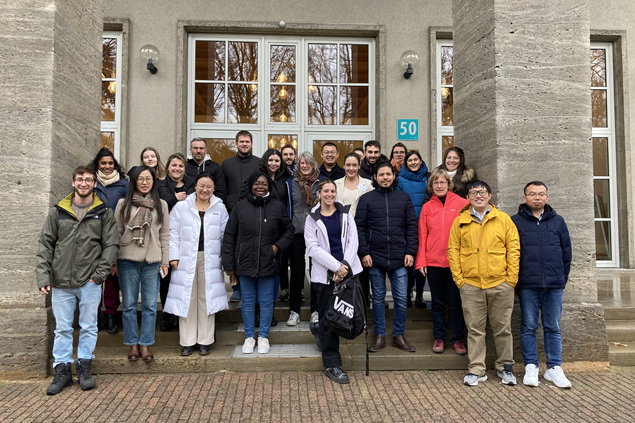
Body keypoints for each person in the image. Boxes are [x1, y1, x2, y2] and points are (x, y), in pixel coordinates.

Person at [36, 165, 118, 395]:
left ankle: (84, 367)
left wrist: (98, 276)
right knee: (62, 328)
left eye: (88, 180)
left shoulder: (103, 212)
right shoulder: (58, 211)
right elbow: (46, 244)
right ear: (73, 183)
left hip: (89, 281)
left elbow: (110, 245)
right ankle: (62, 371)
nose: (84, 183)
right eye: (80, 179)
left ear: (94, 184)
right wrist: (43, 275)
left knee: (89, 326)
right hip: (61, 281)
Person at [447, 180, 520, 387]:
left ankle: (505, 367)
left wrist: (511, 279)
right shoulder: (460, 221)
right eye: (473, 193)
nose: (478, 195)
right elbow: (453, 251)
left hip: (500, 284)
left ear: (489, 196)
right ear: (468, 198)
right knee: (475, 329)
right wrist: (460, 280)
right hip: (471, 285)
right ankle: (476, 369)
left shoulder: (503, 220)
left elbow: (513, 249)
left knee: (502, 328)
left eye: (482, 192)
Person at [222, 173, 294, 354]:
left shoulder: (277, 207)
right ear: (251, 185)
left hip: (268, 261)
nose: (260, 186)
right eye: (256, 183)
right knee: (247, 301)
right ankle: (248, 337)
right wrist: (229, 266)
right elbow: (229, 236)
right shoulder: (240, 207)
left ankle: (263, 336)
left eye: (264, 183)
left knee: (266, 301)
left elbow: (289, 230)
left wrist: (277, 247)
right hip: (244, 262)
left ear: (269, 186)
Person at [512, 181, 572, 389]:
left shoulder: (558, 221)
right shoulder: (515, 222)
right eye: (532, 194)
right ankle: (531, 365)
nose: (537, 197)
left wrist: (561, 278)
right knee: (528, 326)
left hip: (554, 285)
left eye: (541, 194)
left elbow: (566, 252)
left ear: (547, 197)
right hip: (528, 284)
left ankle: (554, 367)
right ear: (525, 198)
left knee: (552, 327)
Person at [356, 162, 418, 353]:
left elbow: (411, 226)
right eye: (381, 174)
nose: (385, 177)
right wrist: (364, 253)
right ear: (375, 177)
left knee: (400, 298)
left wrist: (410, 251)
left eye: (388, 174)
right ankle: (380, 335)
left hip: (400, 257)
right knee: (378, 298)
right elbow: (359, 228)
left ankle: (398, 335)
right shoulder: (366, 199)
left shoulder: (403, 198)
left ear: (393, 176)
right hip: (375, 257)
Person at [164, 173, 229, 356]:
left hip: (211, 259)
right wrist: (173, 257)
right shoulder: (182, 207)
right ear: (195, 186)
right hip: (185, 259)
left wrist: (226, 260)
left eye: (209, 186)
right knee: (187, 298)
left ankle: (205, 341)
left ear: (214, 188)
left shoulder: (220, 207)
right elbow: (173, 233)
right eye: (201, 185)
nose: (205, 190)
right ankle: (187, 341)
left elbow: (226, 236)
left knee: (206, 298)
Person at [305, 180, 363, 384]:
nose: (329, 194)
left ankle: (322, 335)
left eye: (332, 191)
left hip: (347, 273)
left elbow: (352, 241)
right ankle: (332, 364)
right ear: (319, 193)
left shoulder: (346, 214)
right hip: (325, 276)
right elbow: (313, 248)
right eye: (325, 191)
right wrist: (335, 267)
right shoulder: (312, 218)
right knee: (327, 318)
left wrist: (344, 266)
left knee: (346, 313)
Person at [114, 166, 170, 362]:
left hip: (152, 259)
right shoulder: (123, 203)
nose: (145, 182)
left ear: (154, 181)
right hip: (127, 258)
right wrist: (114, 261)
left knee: (149, 305)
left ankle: (146, 344)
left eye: (148, 178)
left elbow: (165, 235)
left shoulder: (161, 204)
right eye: (141, 179)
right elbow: (117, 231)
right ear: (134, 181)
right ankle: (132, 344)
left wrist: (165, 260)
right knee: (128, 305)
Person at [415, 169, 469, 356]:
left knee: (456, 302)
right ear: (431, 186)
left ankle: (458, 339)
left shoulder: (463, 204)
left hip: (456, 263)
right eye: (435, 183)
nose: (439, 186)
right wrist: (421, 261)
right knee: (437, 303)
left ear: (449, 184)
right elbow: (422, 236)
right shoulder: (427, 208)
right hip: (434, 262)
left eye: (442, 182)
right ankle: (439, 337)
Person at [284, 152, 326, 326]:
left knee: (317, 272)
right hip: (296, 234)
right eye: (302, 163)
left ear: (313, 165)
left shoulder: (321, 182)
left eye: (308, 163)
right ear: (298, 165)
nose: (305, 166)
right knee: (297, 273)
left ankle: (315, 310)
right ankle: (294, 310)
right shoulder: (290, 183)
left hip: (316, 235)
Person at [91, 147, 129, 334]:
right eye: (103, 163)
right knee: (95, 276)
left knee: (112, 277)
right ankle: (96, 314)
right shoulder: (91, 183)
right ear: (97, 165)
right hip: (93, 236)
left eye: (110, 163)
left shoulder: (123, 185)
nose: (107, 166)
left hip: (116, 236)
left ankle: (111, 314)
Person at [157, 153, 196, 332]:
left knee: (183, 278)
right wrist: (175, 198)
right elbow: (158, 205)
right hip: (164, 235)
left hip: (187, 235)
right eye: (174, 165)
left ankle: (182, 314)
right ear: (168, 167)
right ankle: (167, 315)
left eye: (180, 166)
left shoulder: (192, 184)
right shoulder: (159, 184)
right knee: (166, 278)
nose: (177, 169)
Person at [222, 130, 260, 303]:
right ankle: (236, 287)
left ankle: (251, 286)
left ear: (251, 144)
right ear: (236, 143)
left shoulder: (259, 164)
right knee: (235, 249)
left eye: (247, 141)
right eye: (241, 141)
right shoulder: (226, 164)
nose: (244, 144)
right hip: (232, 212)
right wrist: (228, 205)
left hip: (255, 212)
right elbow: (223, 189)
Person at [334, 152, 374, 304]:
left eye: (354, 165)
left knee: (362, 270)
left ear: (359, 166)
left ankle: (362, 303)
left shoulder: (368, 184)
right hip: (342, 234)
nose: (351, 168)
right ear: (343, 166)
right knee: (343, 267)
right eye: (348, 165)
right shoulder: (336, 184)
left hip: (363, 232)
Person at [397, 150, 430, 307]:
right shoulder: (399, 180)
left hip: (425, 226)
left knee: (422, 262)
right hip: (407, 228)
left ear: (421, 160)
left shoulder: (428, 178)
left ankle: (420, 294)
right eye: (410, 160)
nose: (413, 162)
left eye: (416, 159)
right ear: (406, 163)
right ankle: (408, 292)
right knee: (409, 262)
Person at [185, 137, 227, 203]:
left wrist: (214, 204)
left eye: (201, 148)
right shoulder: (184, 166)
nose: (198, 151)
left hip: (210, 207)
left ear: (206, 150)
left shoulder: (215, 167)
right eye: (195, 148)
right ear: (190, 150)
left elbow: (221, 190)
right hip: (188, 207)